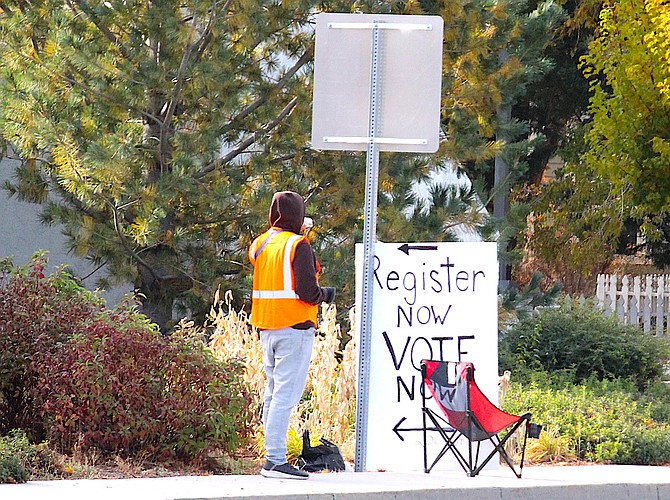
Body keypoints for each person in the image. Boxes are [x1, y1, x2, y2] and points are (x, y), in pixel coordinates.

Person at [248, 191, 336, 480]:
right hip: (295, 328)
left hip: (267, 328)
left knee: (274, 394)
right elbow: (308, 293)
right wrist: (326, 295)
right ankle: (274, 460)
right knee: (286, 396)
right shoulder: (299, 245)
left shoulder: (260, 244)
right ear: (297, 216)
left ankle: (270, 454)